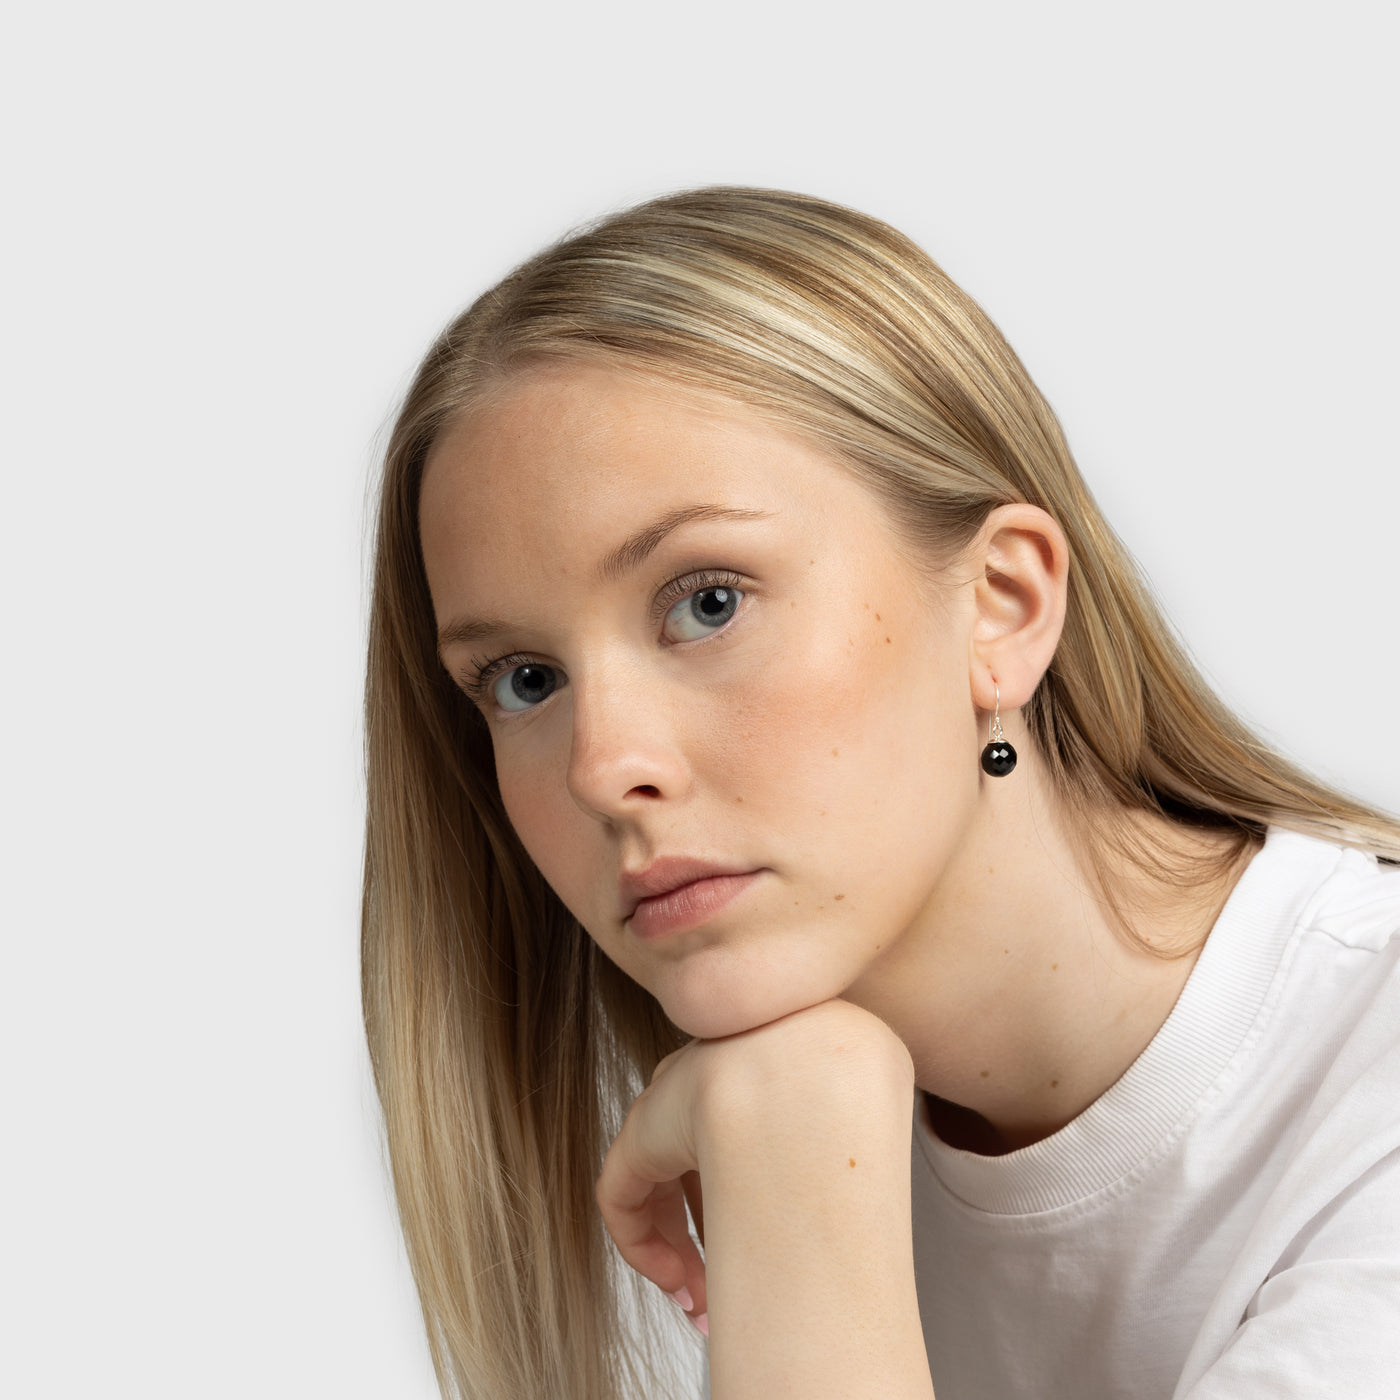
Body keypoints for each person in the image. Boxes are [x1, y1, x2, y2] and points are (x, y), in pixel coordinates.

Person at [360, 186, 1400, 1400]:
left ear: (999, 605)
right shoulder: (793, 1131)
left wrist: (795, 1158)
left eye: (706, 601)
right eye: (524, 679)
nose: (601, 767)